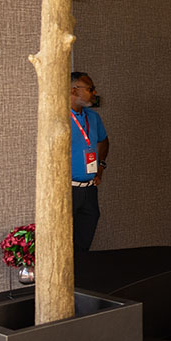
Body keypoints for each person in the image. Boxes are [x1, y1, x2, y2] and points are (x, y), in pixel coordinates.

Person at [70, 72, 109, 252]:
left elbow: (103, 141)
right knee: (63, 243)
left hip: (89, 188)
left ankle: (80, 277)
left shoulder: (93, 117)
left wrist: (100, 167)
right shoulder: (58, 117)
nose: (94, 93)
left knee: (83, 243)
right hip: (67, 190)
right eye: (90, 89)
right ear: (74, 91)